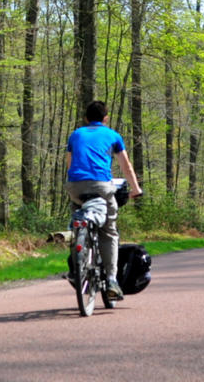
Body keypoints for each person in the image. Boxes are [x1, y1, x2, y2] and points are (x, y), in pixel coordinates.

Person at [66, 100, 142, 299]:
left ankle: (77, 263)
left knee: (78, 219)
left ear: (85, 118)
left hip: (74, 186)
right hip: (101, 186)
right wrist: (136, 189)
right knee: (109, 231)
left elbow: (69, 164)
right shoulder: (113, 136)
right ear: (105, 118)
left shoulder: (76, 134)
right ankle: (111, 280)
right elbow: (127, 166)